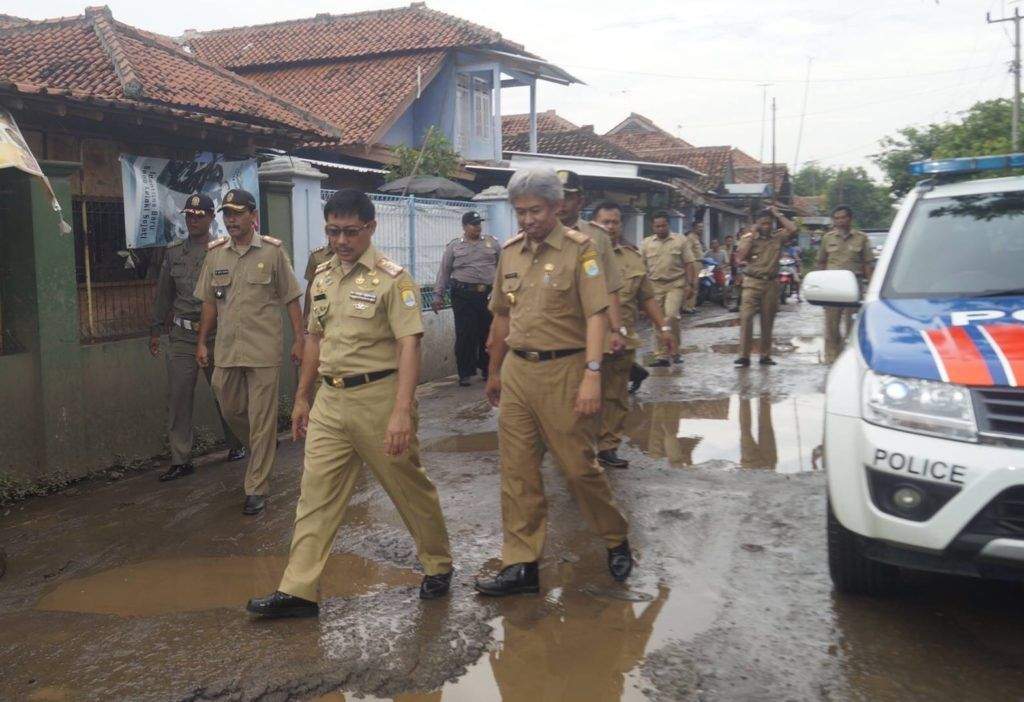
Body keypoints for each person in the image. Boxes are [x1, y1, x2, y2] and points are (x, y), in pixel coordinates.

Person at [247, 189, 453, 619]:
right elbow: (313, 340)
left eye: (350, 232)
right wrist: (302, 397)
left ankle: (437, 564)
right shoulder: (322, 277)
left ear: (371, 228)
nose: (341, 240)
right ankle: (299, 589)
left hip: (378, 399)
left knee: (407, 487)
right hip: (330, 401)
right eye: (333, 231)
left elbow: (409, 345)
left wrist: (401, 409)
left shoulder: (393, 279)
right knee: (315, 494)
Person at [474, 168, 632, 597]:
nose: (527, 220)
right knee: (518, 472)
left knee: (579, 468)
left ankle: (615, 537)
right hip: (519, 372)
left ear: (557, 207)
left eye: (535, 211)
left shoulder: (581, 251)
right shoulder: (509, 253)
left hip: (566, 370)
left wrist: (592, 375)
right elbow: (501, 317)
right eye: (520, 212)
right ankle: (521, 564)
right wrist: (494, 372)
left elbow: (597, 314)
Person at [194, 188, 304, 515]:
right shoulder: (215, 255)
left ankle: (256, 487)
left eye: (237, 214)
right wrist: (202, 341)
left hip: (263, 349)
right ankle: (263, 444)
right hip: (228, 348)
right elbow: (210, 303)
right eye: (227, 214)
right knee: (228, 405)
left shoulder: (272, 253)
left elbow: (290, 297)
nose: (231, 220)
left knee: (261, 416)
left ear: (252, 216)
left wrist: (299, 337)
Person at [149, 193, 244, 482]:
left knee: (225, 393)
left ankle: (237, 443)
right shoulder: (174, 252)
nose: (193, 220)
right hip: (181, 335)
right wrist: (155, 329)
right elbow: (164, 293)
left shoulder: (224, 252)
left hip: (217, 335)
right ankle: (181, 458)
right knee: (179, 397)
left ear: (211, 217)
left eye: (198, 215)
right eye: (189, 216)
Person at [591, 201, 676, 469]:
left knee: (616, 397)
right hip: (583, 341)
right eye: (605, 222)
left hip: (620, 339)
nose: (611, 227)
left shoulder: (632, 256)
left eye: (615, 222)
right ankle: (577, 449)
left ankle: (607, 448)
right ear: (594, 224)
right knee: (581, 397)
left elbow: (647, 297)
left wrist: (663, 328)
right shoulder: (579, 253)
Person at [556, 170, 627, 357]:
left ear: (580, 201)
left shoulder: (597, 236)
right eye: (556, 196)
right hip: (549, 330)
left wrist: (616, 330)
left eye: (568, 197)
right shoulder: (536, 236)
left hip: (589, 329)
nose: (561, 203)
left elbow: (610, 287)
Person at [432, 211, 500, 386]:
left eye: (479, 223)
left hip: (488, 295)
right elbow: (444, 271)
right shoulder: (455, 246)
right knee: (465, 333)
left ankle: (487, 368)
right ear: (464, 226)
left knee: (487, 332)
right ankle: (465, 372)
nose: (477, 227)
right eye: (473, 224)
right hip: (463, 295)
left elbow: (503, 267)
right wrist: (438, 295)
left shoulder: (492, 243)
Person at [733, 206, 799, 367]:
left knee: (767, 321)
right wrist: (752, 233)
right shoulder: (748, 238)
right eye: (763, 223)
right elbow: (740, 256)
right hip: (752, 282)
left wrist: (778, 214)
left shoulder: (778, 238)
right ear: (757, 224)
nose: (766, 227)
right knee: (746, 318)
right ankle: (744, 356)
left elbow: (793, 229)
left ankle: (765, 355)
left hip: (771, 283)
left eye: (769, 223)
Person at [817, 205, 875, 363]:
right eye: (837, 218)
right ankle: (831, 360)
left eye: (843, 217)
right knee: (831, 327)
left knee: (853, 326)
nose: (840, 221)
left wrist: (871, 288)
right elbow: (821, 263)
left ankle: (850, 360)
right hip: (832, 286)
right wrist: (820, 289)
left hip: (853, 287)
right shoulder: (827, 238)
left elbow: (868, 264)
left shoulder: (861, 238)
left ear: (850, 219)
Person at [640, 212, 694, 366]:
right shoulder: (646, 243)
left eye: (663, 225)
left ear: (668, 225)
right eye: (657, 226)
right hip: (654, 285)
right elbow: (640, 267)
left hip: (675, 284)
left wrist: (690, 285)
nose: (661, 228)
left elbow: (689, 263)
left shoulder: (680, 241)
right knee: (658, 320)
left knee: (670, 316)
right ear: (653, 227)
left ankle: (675, 351)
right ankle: (661, 355)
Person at [682, 217, 705, 314]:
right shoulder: (690, 238)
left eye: (702, 227)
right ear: (694, 228)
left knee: (697, 286)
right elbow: (688, 251)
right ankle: (686, 306)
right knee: (692, 285)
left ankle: (692, 306)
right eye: (699, 227)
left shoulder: (697, 238)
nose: (701, 229)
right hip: (694, 263)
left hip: (700, 263)